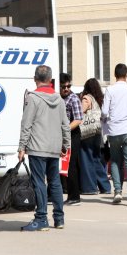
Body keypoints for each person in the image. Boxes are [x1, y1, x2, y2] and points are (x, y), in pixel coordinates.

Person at [18, 65, 71, 231]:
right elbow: (65, 125)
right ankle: (59, 218)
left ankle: (41, 218)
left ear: (35, 79)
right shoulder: (59, 99)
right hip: (54, 147)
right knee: (55, 182)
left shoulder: (33, 98)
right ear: (50, 80)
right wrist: (66, 144)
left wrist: (21, 147)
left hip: (37, 146)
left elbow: (26, 124)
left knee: (39, 182)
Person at [101, 63, 127, 206]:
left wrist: (107, 118)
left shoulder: (110, 90)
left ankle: (117, 191)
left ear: (114, 75)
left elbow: (104, 111)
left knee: (116, 161)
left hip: (114, 130)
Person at [78, 78, 111, 195]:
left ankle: (90, 188)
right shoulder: (99, 100)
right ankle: (105, 186)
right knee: (96, 159)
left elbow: (80, 112)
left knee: (86, 159)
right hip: (97, 132)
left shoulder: (87, 98)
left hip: (87, 133)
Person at [59, 73, 83, 205]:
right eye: (64, 86)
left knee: (70, 165)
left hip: (72, 134)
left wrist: (65, 130)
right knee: (58, 165)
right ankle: (54, 194)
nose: (67, 89)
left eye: (69, 86)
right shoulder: (57, 97)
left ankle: (74, 196)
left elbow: (78, 119)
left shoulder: (73, 98)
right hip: (58, 134)